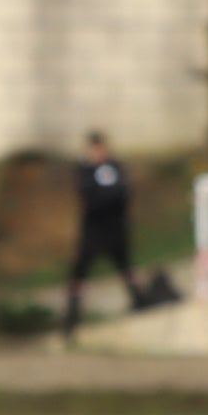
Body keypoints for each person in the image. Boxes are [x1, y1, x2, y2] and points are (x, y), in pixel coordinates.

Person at [66, 130, 136, 335]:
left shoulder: (114, 167)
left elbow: (123, 192)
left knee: (124, 266)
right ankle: (72, 314)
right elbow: (88, 196)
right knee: (80, 269)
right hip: (93, 228)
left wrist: (110, 198)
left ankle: (139, 301)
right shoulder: (85, 169)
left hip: (115, 227)